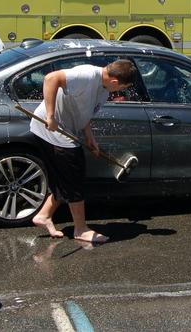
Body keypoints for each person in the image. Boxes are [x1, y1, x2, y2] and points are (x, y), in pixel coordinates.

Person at [30, 59, 137, 241]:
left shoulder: (103, 89)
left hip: (66, 129)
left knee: (65, 177)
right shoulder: (87, 75)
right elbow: (50, 78)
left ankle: (44, 215)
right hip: (51, 130)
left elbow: (84, 112)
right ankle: (80, 229)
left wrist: (90, 137)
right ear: (114, 82)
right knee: (74, 177)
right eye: (122, 88)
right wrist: (50, 116)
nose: (120, 91)